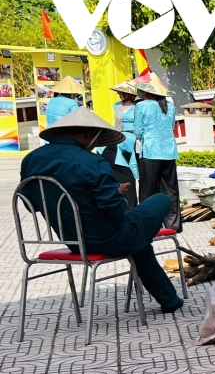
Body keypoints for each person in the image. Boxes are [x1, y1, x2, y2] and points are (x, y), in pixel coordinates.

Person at [19, 108, 183, 312]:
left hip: (73, 241)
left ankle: (170, 300)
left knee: (139, 241)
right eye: (97, 139)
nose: (97, 144)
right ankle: (169, 299)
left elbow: (29, 204)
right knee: (161, 200)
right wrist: (118, 195)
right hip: (110, 239)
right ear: (88, 134)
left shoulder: (30, 160)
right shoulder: (91, 162)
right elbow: (115, 211)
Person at [131, 72, 182, 231]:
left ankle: (149, 223)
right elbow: (172, 126)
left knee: (148, 190)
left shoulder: (141, 105)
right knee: (171, 190)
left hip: (151, 151)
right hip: (169, 151)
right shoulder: (171, 106)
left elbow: (138, 131)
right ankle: (173, 224)